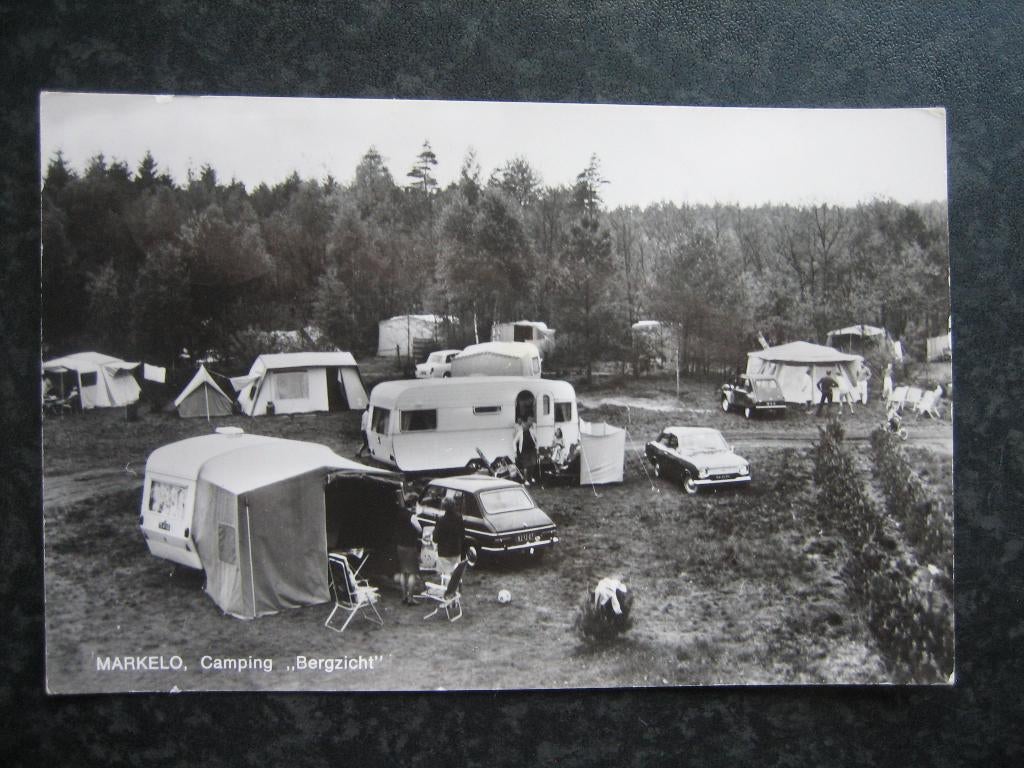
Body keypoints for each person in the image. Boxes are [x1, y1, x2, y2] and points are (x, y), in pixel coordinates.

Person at [394, 491, 423, 605]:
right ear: (413, 504)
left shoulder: (400, 513)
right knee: (412, 573)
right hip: (409, 547)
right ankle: (410, 598)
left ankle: (403, 596)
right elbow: (419, 529)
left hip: (400, 546)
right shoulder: (411, 517)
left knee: (403, 572)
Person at [433, 497, 464, 579]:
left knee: (446, 576)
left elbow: (435, 539)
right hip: (456, 551)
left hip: (444, 552)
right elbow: (462, 535)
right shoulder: (459, 518)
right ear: (454, 505)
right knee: (456, 575)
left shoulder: (441, 520)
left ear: (444, 507)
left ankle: (448, 591)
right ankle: (456, 591)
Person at [513, 415, 539, 485]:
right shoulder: (520, 432)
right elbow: (514, 441)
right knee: (526, 466)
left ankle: (530, 477)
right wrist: (515, 451)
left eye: (525, 425)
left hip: (532, 450)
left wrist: (537, 448)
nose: (525, 426)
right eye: (523, 425)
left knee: (533, 464)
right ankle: (525, 480)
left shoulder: (531, 431)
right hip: (524, 451)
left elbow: (536, 440)